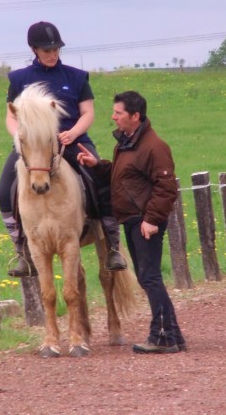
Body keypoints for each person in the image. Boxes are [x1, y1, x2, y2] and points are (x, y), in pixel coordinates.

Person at [0, 21, 126, 277]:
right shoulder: (19, 79)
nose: (53, 54)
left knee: (102, 183)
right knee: (3, 192)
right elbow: (11, 117)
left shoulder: (76, 77)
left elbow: (88, 112)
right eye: (47, 50)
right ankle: (21, 251)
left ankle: (113, 246)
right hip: (33, 145)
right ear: (34, 49)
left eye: (56, 49)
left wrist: (74, 133)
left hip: (71, 139)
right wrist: (20, 137)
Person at [77, 90, 186, 354]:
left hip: (143, 222)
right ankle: (172, 335)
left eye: (118, 113)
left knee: (150, 278)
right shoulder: (126, 143)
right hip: (133, 219)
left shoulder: (154, 147)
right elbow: (121, 175)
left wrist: (151, 220)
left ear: (135, 116)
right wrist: (96, 165)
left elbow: (166, 188)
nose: (113, 117)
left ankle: (162, 337)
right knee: (148, 277)